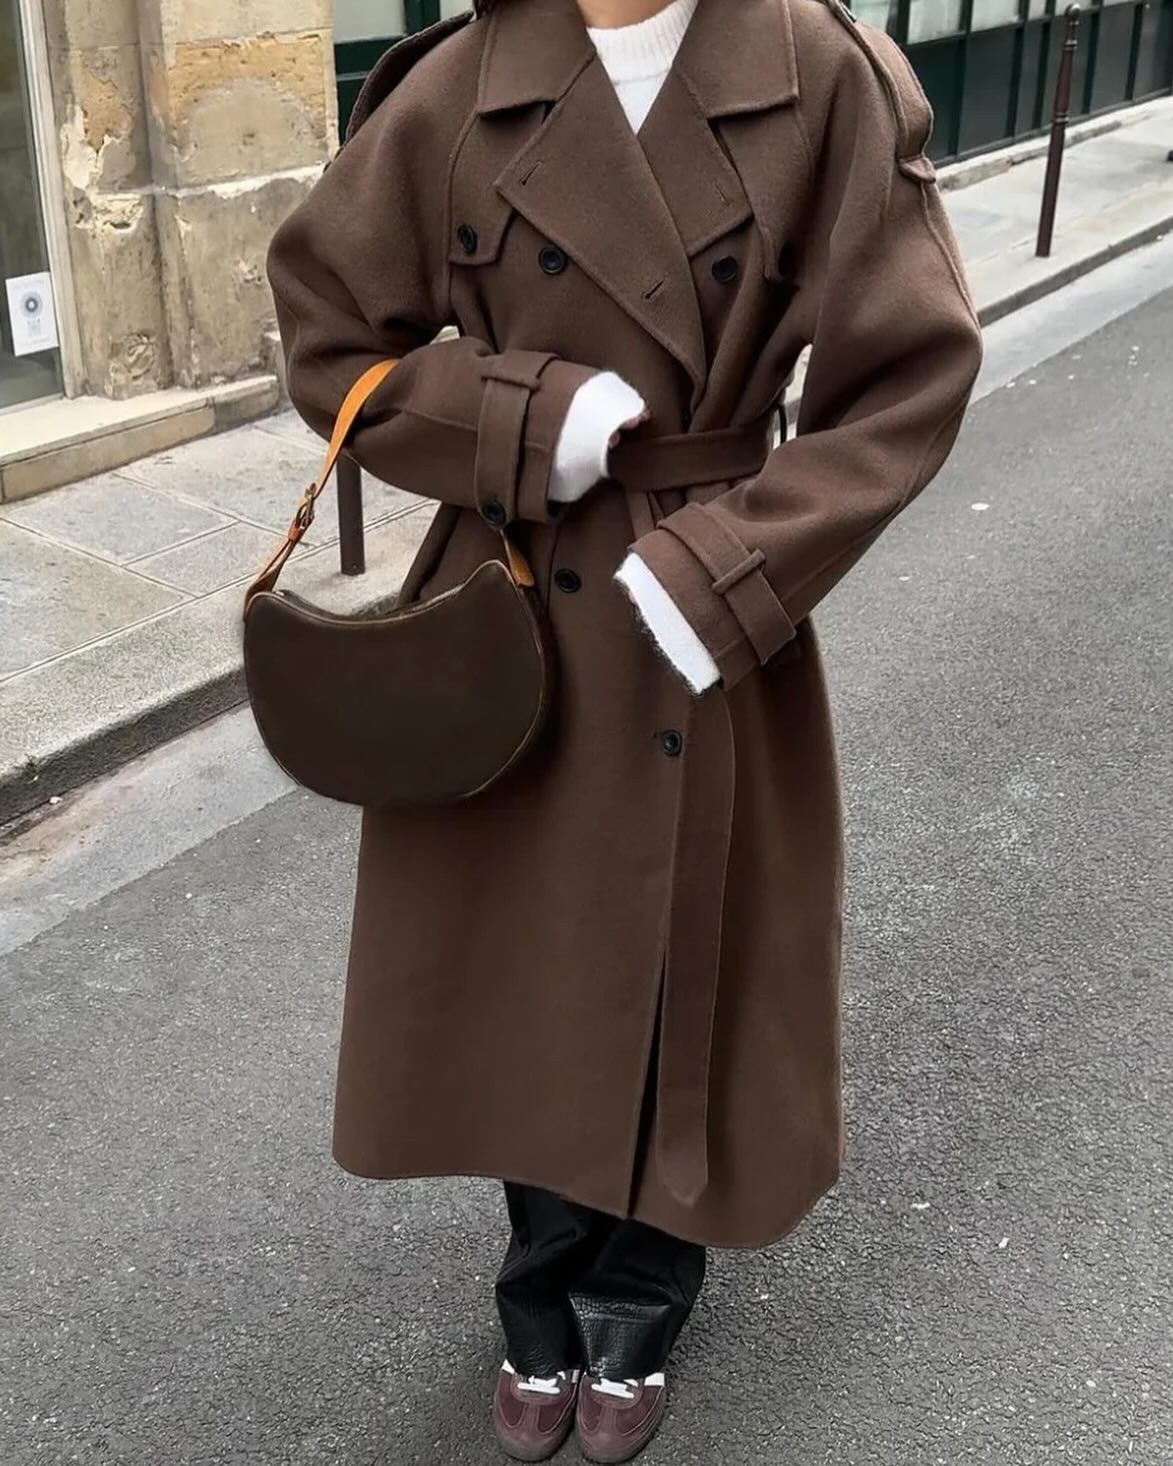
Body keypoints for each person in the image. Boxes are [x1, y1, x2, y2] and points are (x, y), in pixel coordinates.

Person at [266, 0, 982, 1458]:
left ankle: (643, 1286)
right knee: (524, 967)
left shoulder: (817, 74)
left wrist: (735, 566)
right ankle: (541, 1271)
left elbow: (910, 370)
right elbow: (328, 331)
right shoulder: (464, 81)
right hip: (512, 602)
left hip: (706, 605)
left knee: (681, 957)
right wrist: (520, 418)